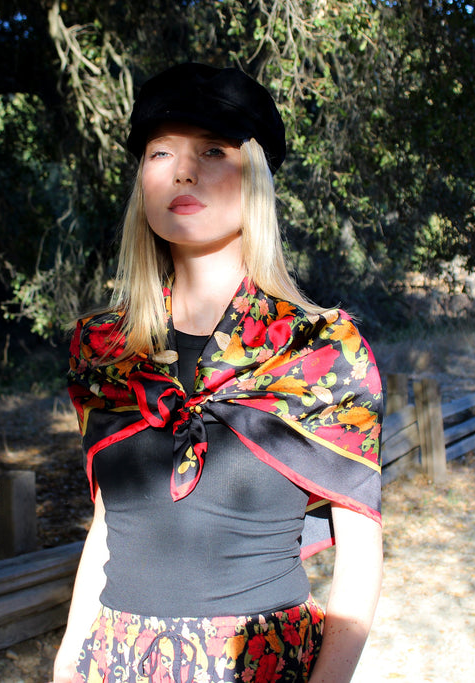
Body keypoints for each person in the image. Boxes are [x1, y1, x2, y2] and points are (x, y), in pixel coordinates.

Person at [55, 62, 384, 683]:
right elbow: (110, 523)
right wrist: (69, 659)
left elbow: (360, 550)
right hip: (117, 661)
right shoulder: (104, 352)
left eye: (213, 150)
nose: (183, 171)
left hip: (260, 664)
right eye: (161, 153)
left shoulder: (320, 351)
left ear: (255, 175)